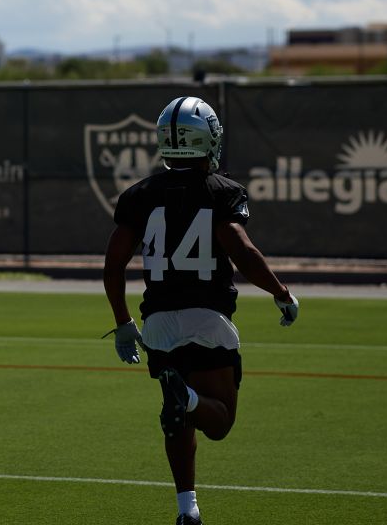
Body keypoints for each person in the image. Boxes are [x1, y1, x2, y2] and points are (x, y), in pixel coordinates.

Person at [101, 96, 300, 525]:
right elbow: (241, 251)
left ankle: (187, 509)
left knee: (179, 418)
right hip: (206, 315)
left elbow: (114, 263)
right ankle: (188, 396)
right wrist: (281, 292)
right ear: (208, 139)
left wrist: (122, 323)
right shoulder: (221, 191)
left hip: (157, 321)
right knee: (219, 420)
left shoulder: (139, 195)